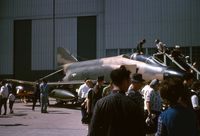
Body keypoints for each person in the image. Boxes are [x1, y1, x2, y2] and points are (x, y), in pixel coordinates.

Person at [88, 66, 145, 136]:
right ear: (124, 81)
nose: (130, 83)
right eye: (128, 81)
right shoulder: (132, 104)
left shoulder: (100, 103)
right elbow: (139, 131)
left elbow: (93, 130)